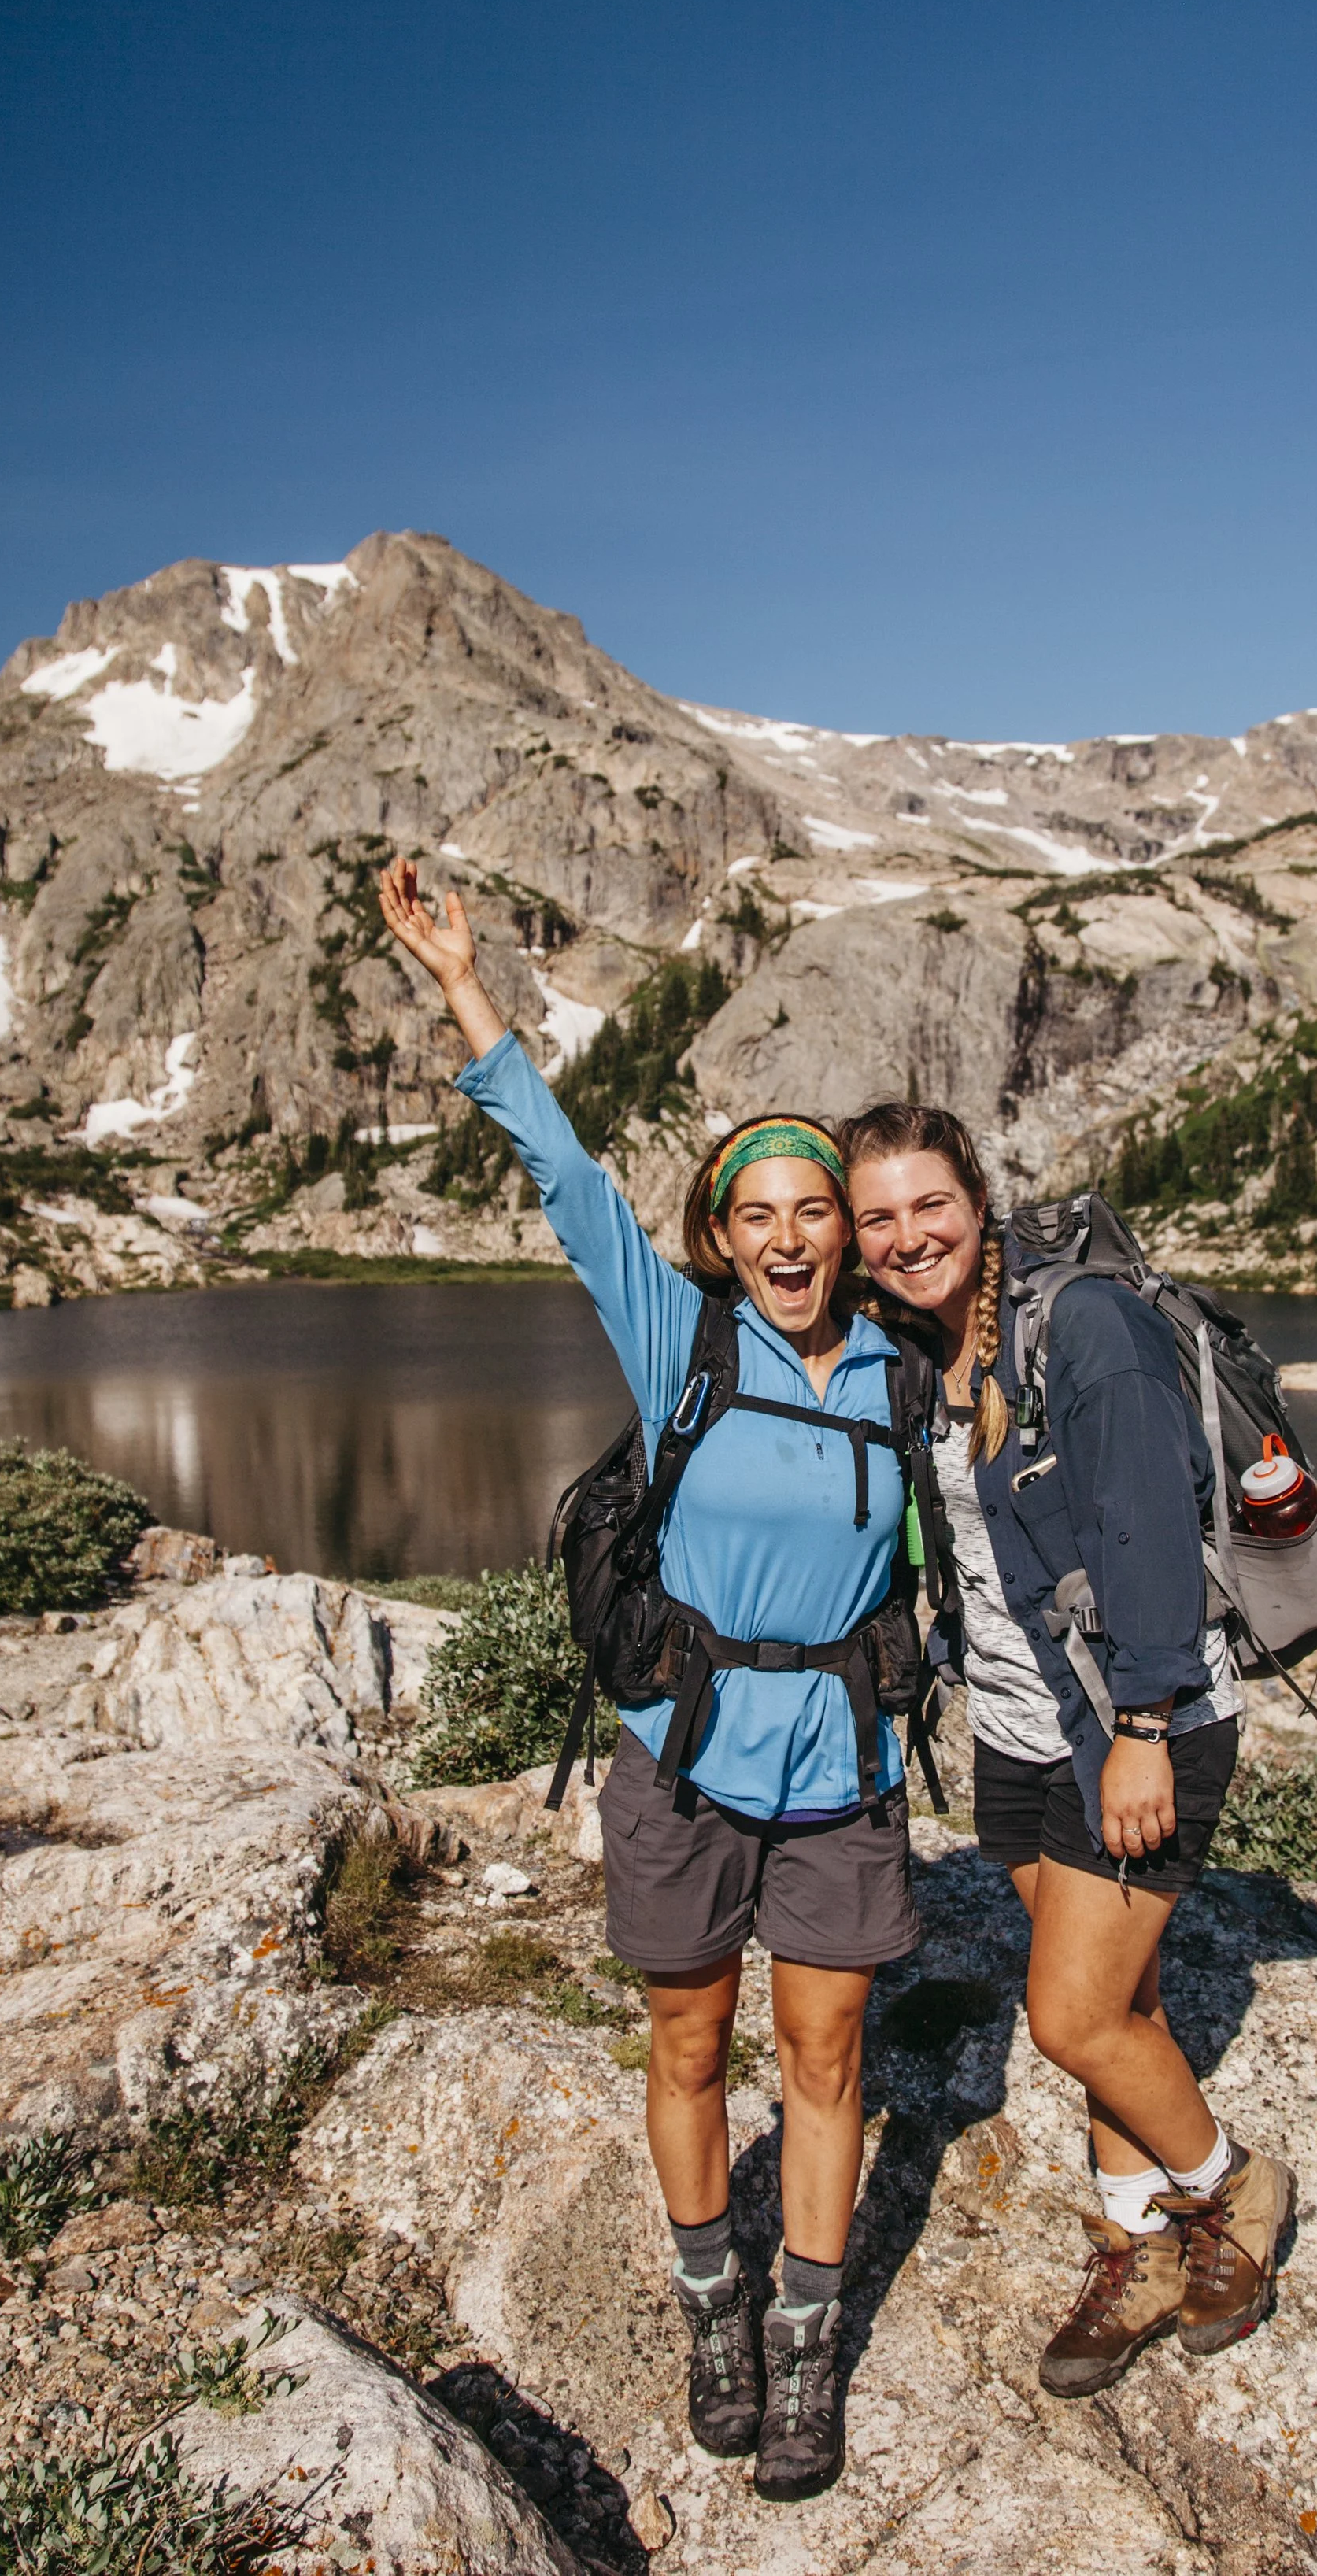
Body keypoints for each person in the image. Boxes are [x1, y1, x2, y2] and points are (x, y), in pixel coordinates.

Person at [378, 858, 921, 2500]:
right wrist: (465, 986)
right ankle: (711, 2310)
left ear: (845, 1229)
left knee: (825, 2063)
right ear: (716, 1235)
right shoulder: (677, 1331)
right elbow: (556, 1162)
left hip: (840, 1767)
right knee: (688, 2052)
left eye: (812, 1210)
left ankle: (810, 2348)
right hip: (680, 1761)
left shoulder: (909, 1359)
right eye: (753, 1215)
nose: (786, 1238)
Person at [839, 1100, 1293, 2397]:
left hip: (1131, 1728)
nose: (908, 1234)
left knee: (1073, 2014)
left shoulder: (1081, 1322)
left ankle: (1237, 2191)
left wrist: (1146, 1727)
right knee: (1125, 2001)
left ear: (978, 1198)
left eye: (930, 1204)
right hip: (1021, 1734)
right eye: (880, 1218)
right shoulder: (924, 1344)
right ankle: (1134, 2238)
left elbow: (1148, 1519)